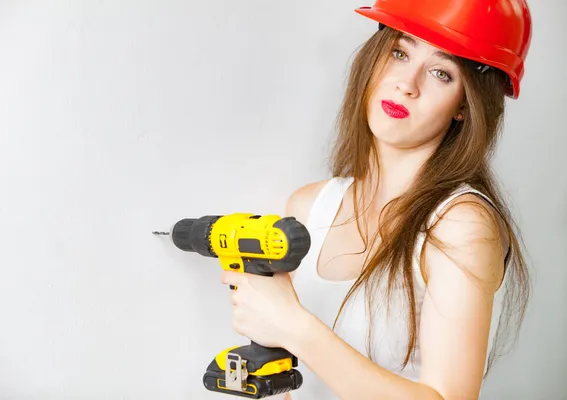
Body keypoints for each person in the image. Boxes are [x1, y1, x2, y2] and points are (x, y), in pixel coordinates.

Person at [221, 1, 533, 399]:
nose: (407, 83)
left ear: (465, 106)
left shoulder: (459, 225)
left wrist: (293, 325)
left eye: (441, 73)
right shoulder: (310, 208)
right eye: (400, 53)